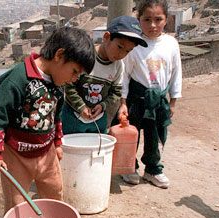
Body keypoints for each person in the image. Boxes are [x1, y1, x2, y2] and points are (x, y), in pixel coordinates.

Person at [0, 26, 95, 214]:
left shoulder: (58, 84)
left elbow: (56, 115)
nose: (74, 79)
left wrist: (57, 143)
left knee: (54, 191)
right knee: (17, 203)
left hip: (46, 152)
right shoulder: (19, 79)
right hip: (17, 154)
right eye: (74, 71)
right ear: (59, 55)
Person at [118, 0, 182, 189]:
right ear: (139, 20)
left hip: (159, 99)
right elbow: (125, 75)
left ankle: (152, 170)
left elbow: (176, 73)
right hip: (136, 99)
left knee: (154, 136)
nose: (152, 25)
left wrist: (173, 102)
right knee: (132, 135)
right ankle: (129, 168)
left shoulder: (171, 43)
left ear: (166, 20)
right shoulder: (134, 44)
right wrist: (123, 102)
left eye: (158, 19)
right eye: (147, 19)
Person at [62, 16, 147, 135]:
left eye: (128, 51)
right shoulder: (85, 57)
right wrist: (81, 107)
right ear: (106, 37)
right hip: (73, 118)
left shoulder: (118, 66)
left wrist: (102, 106)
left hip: (98, 119)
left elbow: (116, 93)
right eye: (120, 47)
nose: (122, 54)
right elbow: (69, 86)